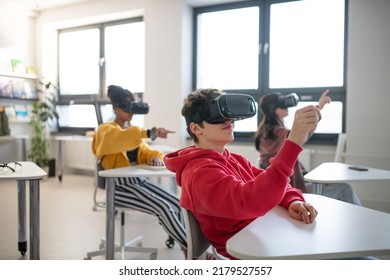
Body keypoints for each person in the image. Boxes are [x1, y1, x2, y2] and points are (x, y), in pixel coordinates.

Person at [164, 88, 319, 259]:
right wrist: (293, 143)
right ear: (196, 128)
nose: (228, 120)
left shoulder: (234, 159)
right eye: (216, 116)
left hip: (261, 234)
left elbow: (269, 182)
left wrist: (292, 200)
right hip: (245, 253)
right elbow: (252, 200)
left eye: (227, 113)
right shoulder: (199, 173)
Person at [92, 85, 187, 253]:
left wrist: (154, 157)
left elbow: (145, 151)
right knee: (163, 207)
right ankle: (191, 249)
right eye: (125, 106)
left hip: (137, 183)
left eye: (132, 106)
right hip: (118, 188)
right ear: (115, 108)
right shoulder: (105, 130)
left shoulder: (132, 134)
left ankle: (181, 241)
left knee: (177, 203)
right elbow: (119, 139)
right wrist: (149, 132)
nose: (130, 111)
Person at [254, 91, 362, 205]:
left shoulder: (267, 131)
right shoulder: (274, 133)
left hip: (291, 184)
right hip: (292, 189)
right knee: (344, 189)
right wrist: (320, 106)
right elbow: (301, 133)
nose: (286, 105)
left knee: (335, 185)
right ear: (273, 108)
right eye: (282, 102)